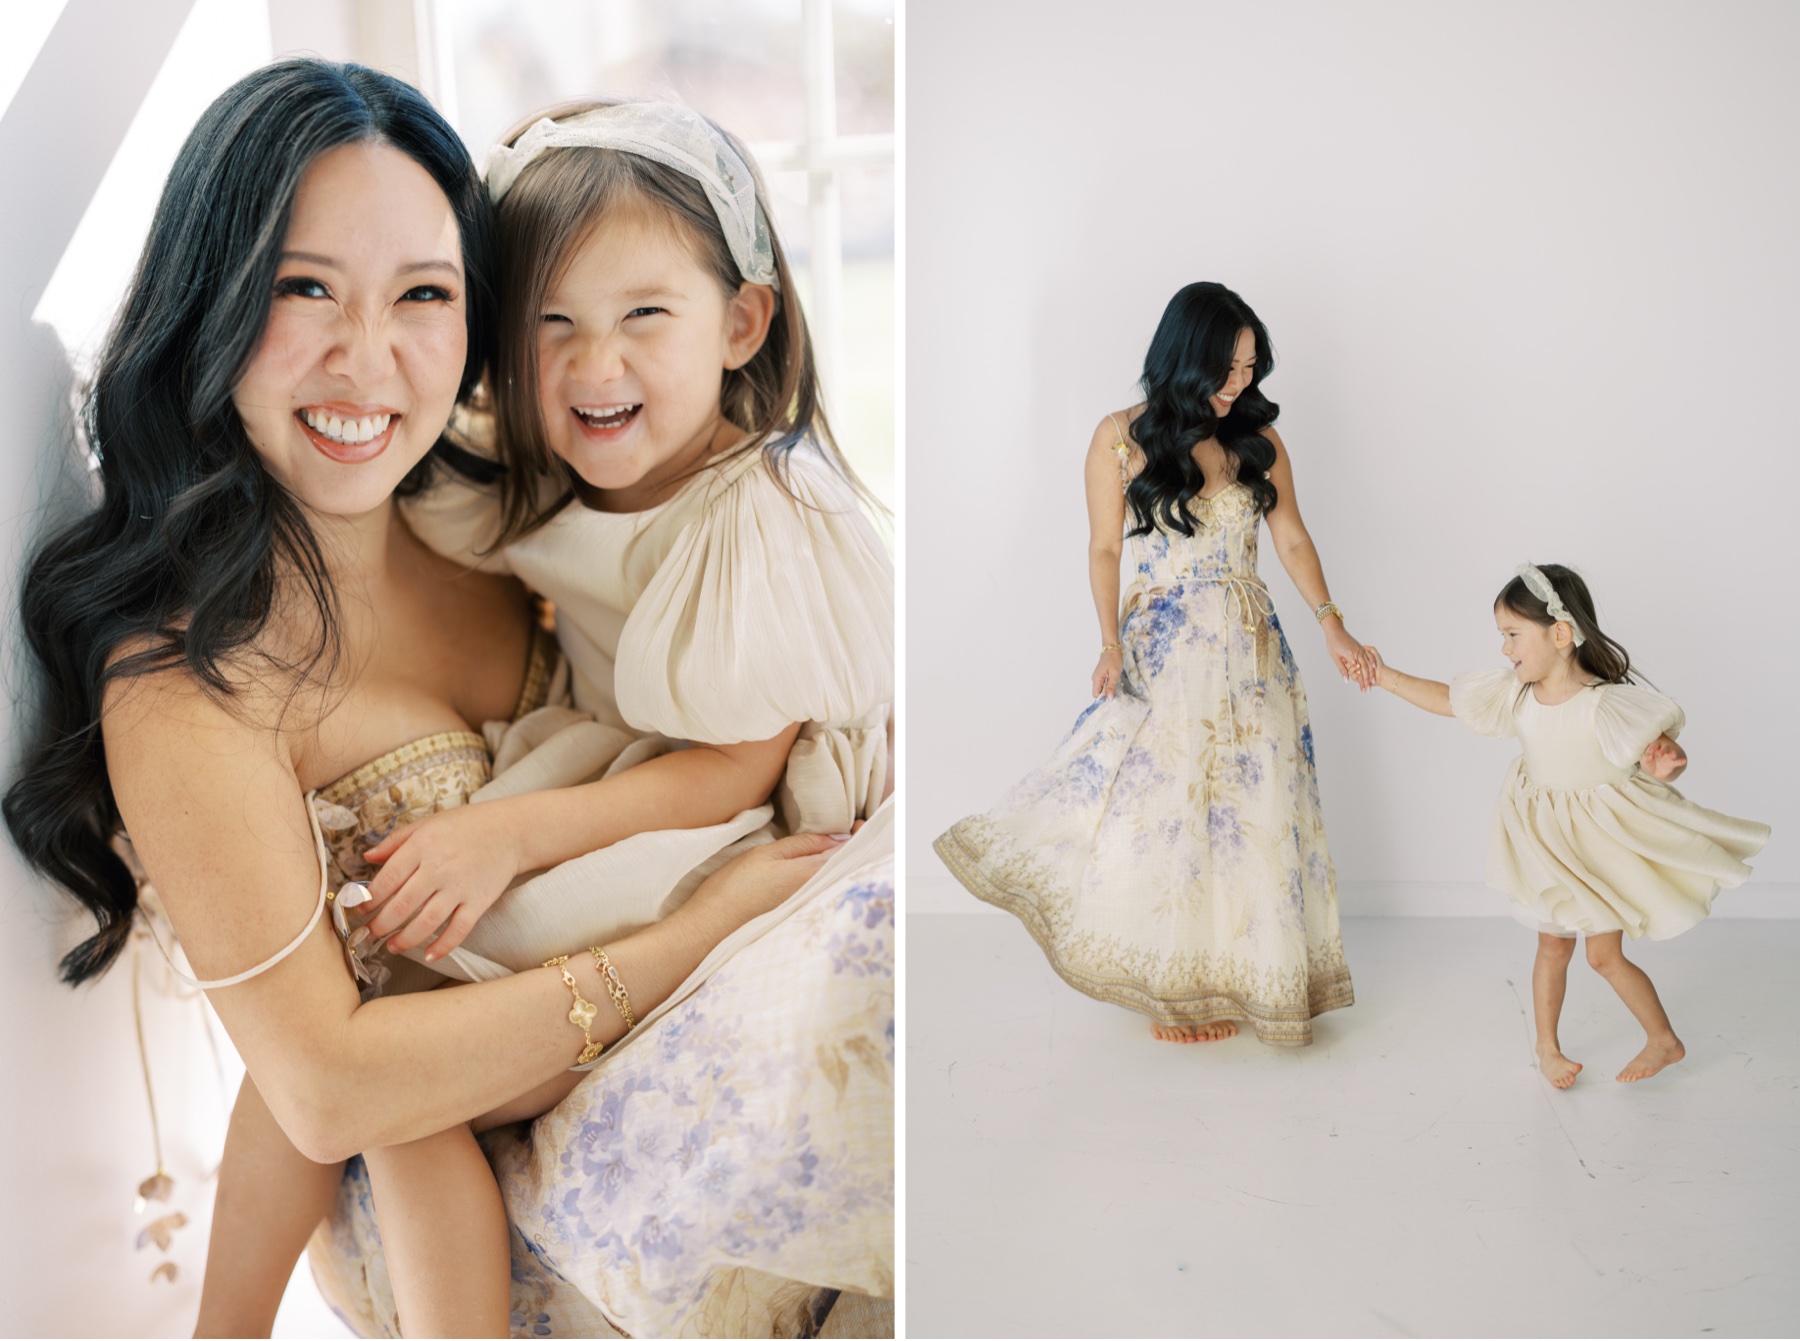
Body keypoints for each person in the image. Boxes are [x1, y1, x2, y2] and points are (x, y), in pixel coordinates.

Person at [0, 61, 842, 1338]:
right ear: (212, 303)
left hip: (639, 1035)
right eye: (304, 289)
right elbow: (329, 1088)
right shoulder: (186, 683)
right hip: (450, 1185)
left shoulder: (505, 513)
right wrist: (695, 935)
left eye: (425, 296)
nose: (368, 360)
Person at [203, 94, 897, 1334]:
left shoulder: (761, 512)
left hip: (699, 808)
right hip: (605, 782)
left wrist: (510, 836)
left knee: (405, 1064)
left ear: (742, 322)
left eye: (645, 317)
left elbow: (731, 773)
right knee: (379, 1075)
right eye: (550, 325)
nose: (593, 366)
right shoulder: (535, 475)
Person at [935, 281, 1362, 1047]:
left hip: (1254, 652)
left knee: (1250, 813)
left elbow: (1291, 537)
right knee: (1167, 813)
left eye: (1251, 366)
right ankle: (1171, 990)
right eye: (1228, 368)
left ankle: (1238, 975)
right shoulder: (1118, 437)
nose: (1241, 383)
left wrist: (1334, 625)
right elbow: (1103, 547)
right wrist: (1107, 642)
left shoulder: (1257, 439)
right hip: (1167, 649)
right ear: (1186, 359)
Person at [1365, 562, 1769, 1087]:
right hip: (1544, 844)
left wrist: (1667, 762)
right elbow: (1448, 700)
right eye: (1502, 636)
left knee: (1603, 956)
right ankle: (1547, 1049)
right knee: (1552, 945)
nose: (1504, 649)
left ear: (1560, 634)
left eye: (1512, 635)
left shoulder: (1604, 704)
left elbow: (1656, 754)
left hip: (1595, 846)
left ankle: (1664, 1040)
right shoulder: (1517, 696)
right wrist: (1385, 675)